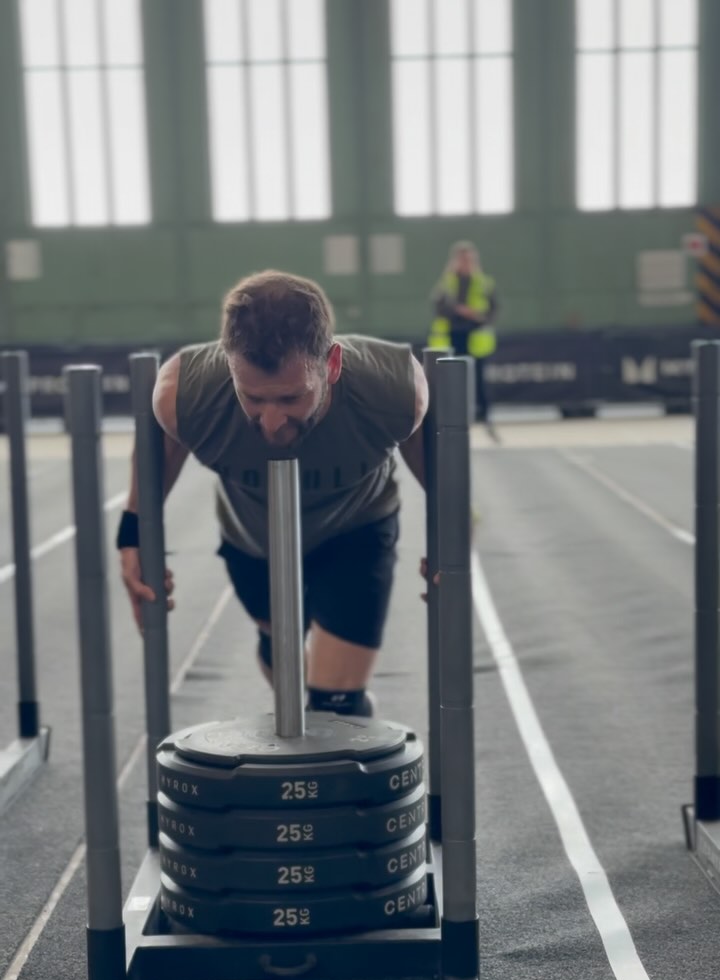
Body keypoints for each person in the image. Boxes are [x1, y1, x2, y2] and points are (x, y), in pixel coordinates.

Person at [116, 269, 429, 719]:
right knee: (285, 665)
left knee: (335, 712)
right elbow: (161, 449)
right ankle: (280, 649)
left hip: (355, 529)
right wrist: (132, 537)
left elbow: (426, 453)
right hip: (253, 537)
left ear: (332, 365)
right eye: (254, 399)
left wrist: (451, 542)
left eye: (290, 399)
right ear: (230, 367)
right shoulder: (182, 396)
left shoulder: (393, 391)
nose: (271, 423)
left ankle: (336, 704)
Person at [428, 241, 498, 423]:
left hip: (476, 336)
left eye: (469, 259)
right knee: (452, 377)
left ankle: (482, 412)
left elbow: (493, 311)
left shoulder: (484, 283)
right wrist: (458, 311)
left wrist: (476, 315)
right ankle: (454, 412)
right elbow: (439, 308)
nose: (466, 263)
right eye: (462, 259)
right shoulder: (446, 284)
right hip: (452, 335)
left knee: (477, 377)